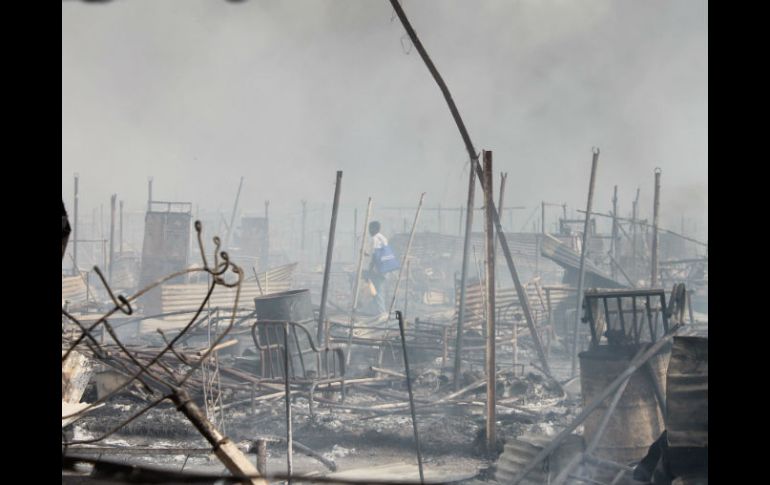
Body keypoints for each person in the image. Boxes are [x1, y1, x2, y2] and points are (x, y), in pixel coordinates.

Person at [365, 221, 395, 320]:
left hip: (379, 269)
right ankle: (378, 311)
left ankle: (381, 313)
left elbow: (375, 255)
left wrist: (369, 269)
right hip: (385, 268)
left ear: (373, 229)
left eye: (370, 228)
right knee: (379, 290)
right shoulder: (383, 238)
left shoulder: (374, 239)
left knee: (377, 292)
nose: (369, 231)